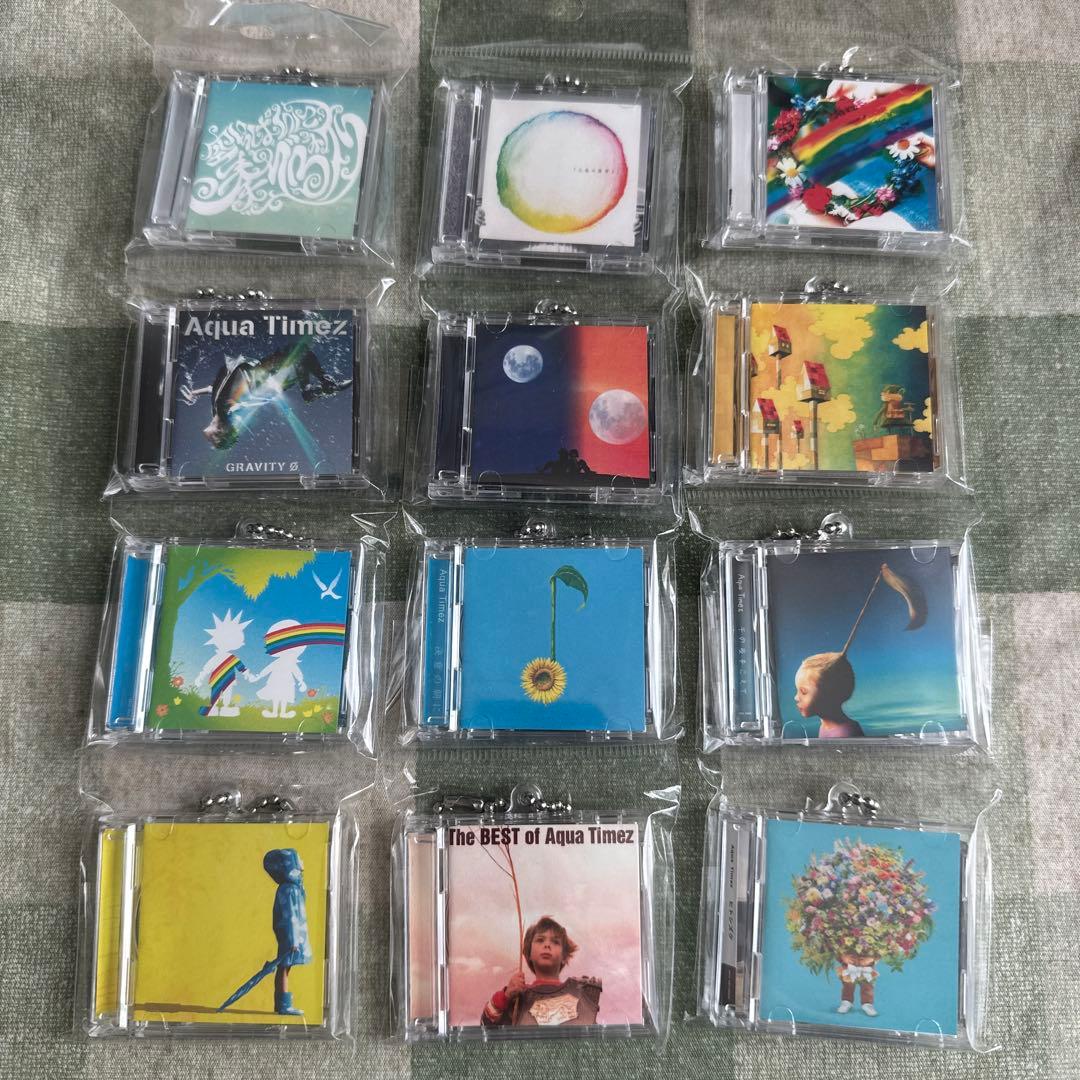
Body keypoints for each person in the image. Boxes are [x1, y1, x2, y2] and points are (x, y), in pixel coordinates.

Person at [481, 916, 602, 1027]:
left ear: (564, 956)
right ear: (528, 953)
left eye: (555, 942)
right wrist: (505, 996)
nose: (547, 945)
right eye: (540, 940)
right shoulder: (516, 998)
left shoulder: (584, 994)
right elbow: (485, 1028)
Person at [263, 848, 312, 1016]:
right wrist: (293, 940)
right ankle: (283, 1004)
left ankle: (281, 1003)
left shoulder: (293, 888)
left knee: (286, 967)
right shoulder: (289, 889)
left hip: (292, 936)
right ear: (291, 864)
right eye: (299, 858)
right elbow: (289, 915)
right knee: (284, 967)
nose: (302, 862)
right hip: (291, 938)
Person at [793, 652, 864, 738]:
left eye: (804, 692)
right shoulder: (826, 726)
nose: (796, 697)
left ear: (831, 694)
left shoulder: (845, 734)